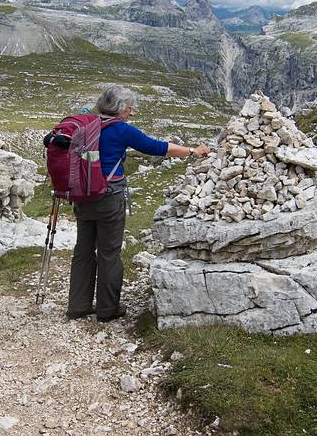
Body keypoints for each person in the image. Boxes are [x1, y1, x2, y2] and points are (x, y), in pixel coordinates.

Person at [66, 85, 210, 322]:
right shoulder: (121, 130)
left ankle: (78, 306)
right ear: (120, 108)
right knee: (109, 252)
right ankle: (107, 309)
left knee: (83, 250)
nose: (131, 113)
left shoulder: (85, 124)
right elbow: (157, 147)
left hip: (82, 197)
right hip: (109, 197)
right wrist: (193, 151)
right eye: (130, 109)